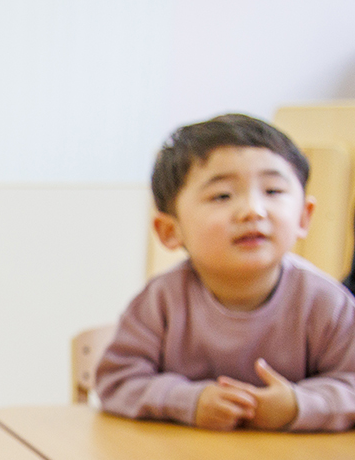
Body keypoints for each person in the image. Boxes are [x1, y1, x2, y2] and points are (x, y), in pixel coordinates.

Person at [96, 112, 355, 431]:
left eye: (273, 191)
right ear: (169, 230)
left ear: (304, 216)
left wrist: (298, 405)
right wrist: (189, 400)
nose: (253, 210)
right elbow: (117, 379)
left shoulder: (327, 302)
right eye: (222, 196)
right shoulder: (161, 300)